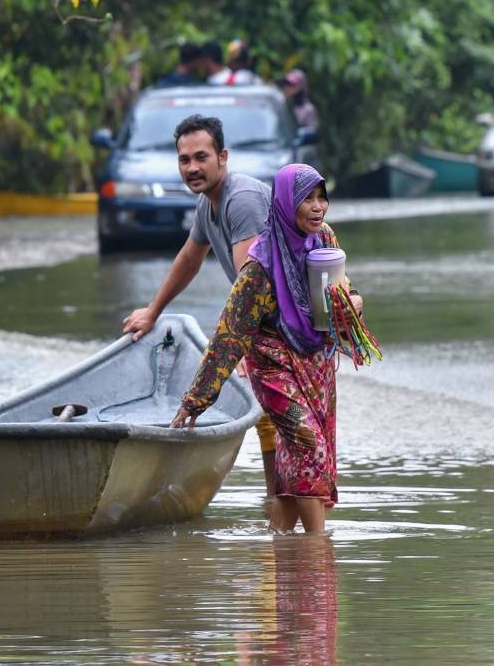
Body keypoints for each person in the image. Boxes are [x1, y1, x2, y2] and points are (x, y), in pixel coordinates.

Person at [170, 163, 364, 533]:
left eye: (321, 197)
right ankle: (317, 546)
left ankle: (281, 541)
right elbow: (230, 336)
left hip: (315, 363)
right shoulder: (260, 267)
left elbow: (343, 290)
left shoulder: (324, 240)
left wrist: (354, 302)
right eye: (307, 198)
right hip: (273, 367)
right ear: (286, 202)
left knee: (301, 453)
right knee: (309, 445)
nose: (317, 206)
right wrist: (196, 399)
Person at [121, 114, 281, 501]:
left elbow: (251, 284)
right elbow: (190, 258)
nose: (192, 167)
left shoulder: (240, 199)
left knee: (286, 433)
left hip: (285, 332)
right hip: (264, 331)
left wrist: (236, 346)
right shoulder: (207, 203)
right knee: (271, 430)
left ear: (222, 157)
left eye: (201, 157)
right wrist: (153, 311)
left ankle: (293, 532)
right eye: (184, 160)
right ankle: (281, 533)